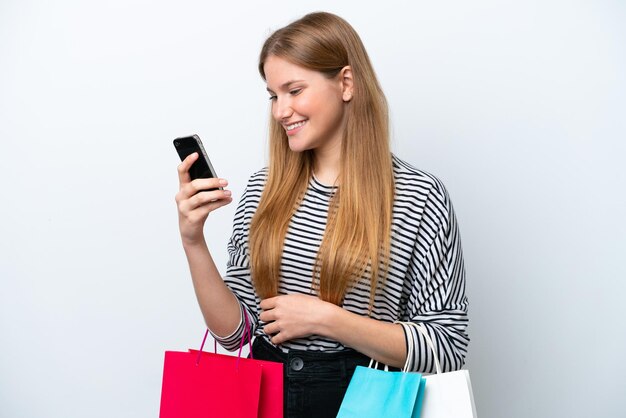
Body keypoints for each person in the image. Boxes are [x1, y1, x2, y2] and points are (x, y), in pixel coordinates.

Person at [175, 11, 468, 418]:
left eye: (294, 90)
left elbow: (446, 346)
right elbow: (238, 333)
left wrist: (328, 319)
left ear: (346, 83)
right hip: (266, 395)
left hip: (363, 400)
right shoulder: (264, 189)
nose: (281, 111)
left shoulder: (419, 197)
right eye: (274, 95)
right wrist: (193, 241)